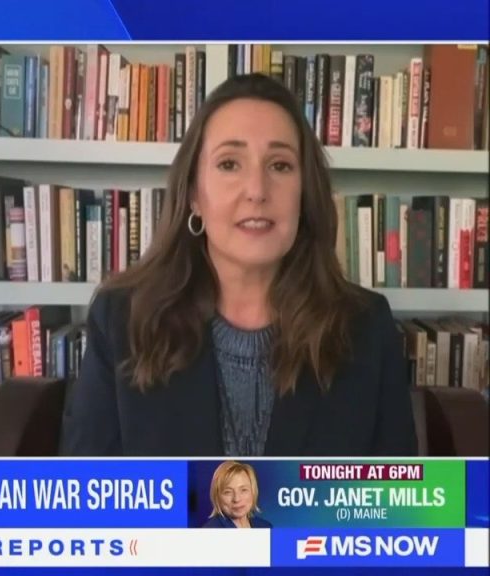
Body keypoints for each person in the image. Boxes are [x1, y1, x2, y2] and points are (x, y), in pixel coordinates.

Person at [60, 73, 416, 456]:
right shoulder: (122, 320)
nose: (257, 191)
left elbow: (395, 491)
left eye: (280, 165)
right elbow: (86, 487)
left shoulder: (366, 327)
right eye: (229, 164)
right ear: (194, 195)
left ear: (304, 193)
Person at [202, 461, 272, 528]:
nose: (237, 499)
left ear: (253, 491)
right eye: (228, 492)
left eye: (243, 490)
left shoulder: (266, 526)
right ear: (217, 497)